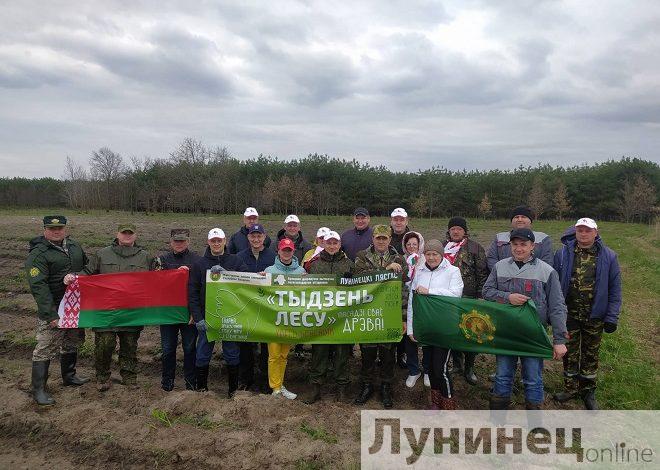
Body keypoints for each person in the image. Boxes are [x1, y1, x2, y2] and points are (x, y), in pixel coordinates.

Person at [483, 228, 568, 410]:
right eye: (515, 244)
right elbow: (487, 292)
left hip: (534, 333)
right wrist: (507, 297)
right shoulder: (500, 267)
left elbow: (557, 306)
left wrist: (559, 339)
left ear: (532, 246)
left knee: (532, 377)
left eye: (523, 244)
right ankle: (498, 418)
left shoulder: (547, 271)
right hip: (506, 331)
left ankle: (534, 421)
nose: (519, 248)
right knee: (503, 375)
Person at [78, 223, 159, 391]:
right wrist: (73, 278)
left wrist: (179, 273)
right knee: (104, 345)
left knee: (129, 346)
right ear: (118, 235)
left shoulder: (145, 257)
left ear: (135, 236)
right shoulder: (102, 254)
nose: (127, 236)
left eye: (130, 233)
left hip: (132, 311)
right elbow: (87, 274)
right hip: (106, 310)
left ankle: (129, 377)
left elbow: (159, 278)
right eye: (124, 233)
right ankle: (102, 377)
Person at [553, 218, 622, 410]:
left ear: (596, 233)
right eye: (580, 230)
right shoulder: (563, 254)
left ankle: (588, 391)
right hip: (569, 315)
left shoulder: (609, 256)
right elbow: (555, 284)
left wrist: (611, 316)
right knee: (569, 353)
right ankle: (570, 387)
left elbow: (615, 290)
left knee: (591, 354)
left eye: (587, 231)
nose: (583, 234)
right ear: (575, 232)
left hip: (595, 315)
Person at [26, 216, 90, 405]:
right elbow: (39, 287)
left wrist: (78, 276)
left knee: (72, 342)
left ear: (65, 229)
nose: (56, 231)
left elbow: (87, 268)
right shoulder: (38, 254)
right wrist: (50, 314)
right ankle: (38, 390)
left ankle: (69, 376)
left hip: (75, 307)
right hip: (54, 307)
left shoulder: (75, 247)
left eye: (60, 228)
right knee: (45, 347)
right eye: (52, 228)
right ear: (45, 230)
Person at [188, 228, 248, 396]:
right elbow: (192, 293)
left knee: (232, 353)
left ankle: (232, 390)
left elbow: (247, 283)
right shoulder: (199, 264)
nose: (216, 243)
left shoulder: (235, 261)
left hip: (230, 316)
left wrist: (228, 275)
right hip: (208, 318)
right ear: (208, 242)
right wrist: (198, 318)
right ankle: (202, 388)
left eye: (219, 240)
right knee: (203, 353)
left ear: (225, 241)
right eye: (213, 241)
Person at [407, 239, 464, 409]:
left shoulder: (453, 271)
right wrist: (411, 328)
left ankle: (448, 403)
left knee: (441, 369)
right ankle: (435, 402)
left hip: (444, 328)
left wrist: (429, 291)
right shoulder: (420, 272)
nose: (431, 258)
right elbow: (412, 301)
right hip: (426, 328)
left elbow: (455, 294)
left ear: (441, 255)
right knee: (430, 368)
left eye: (435, 254)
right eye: (428, 254)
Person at [353, 224, 405, 409]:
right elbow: (358, 279)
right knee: (367, 353)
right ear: (372, 239)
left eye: (385, 238)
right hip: (368, 312)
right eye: (378, 238)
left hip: (390, 314)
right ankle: (366, 386)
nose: (381, 241)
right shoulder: (361, 256)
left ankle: (386, 387)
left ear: (390, 239)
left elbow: (404, 289)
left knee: (388, 354)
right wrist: (385, 271)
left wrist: (403, 317)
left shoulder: (399, 259)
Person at [302, 231, 355, 404]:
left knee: (342, 354)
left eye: (335, 243)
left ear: (340, 245)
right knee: (319, 353)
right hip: (321, 317)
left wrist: (352, 281)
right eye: (329, 243)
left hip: (342, 317)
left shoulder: (349, 264)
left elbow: (359, 288)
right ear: (323, 244)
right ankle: (315, 388)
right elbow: (306, 288)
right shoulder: (315, 265)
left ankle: (341, 388)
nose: (332, 246)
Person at [443, 217, 488, 386]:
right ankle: (457, 364)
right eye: (453, 228)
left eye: (459, 229)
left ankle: (469, 368)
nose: (456, 231)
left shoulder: (475, 248)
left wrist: (480, 296)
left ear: (464, 231)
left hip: (470, 298)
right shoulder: (443, 247)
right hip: (449, 298)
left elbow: (482, 274)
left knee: (471, 334)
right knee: (453, 332)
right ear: (449, 231)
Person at [264, 238, 306, 399]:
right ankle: (275, 388)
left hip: (290, 320)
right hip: (273, 321)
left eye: (289, 250)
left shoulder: (301, 272)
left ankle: (280, 385)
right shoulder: (269, 270)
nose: (286, 253)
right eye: (284, 250)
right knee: (273, 355)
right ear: (278, 251)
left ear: (293, 251)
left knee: (283, 355)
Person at [159, 229, 200, 391]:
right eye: (176, 241)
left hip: (189, 313)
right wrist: (173, 275)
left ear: (188, 242)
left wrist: (195, 312)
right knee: (168, 349)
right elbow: (156, 283)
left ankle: (190, 383)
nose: (179, 244)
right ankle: (167, 383)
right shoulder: (162, 260)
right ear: (171, 242)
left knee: (189, 349)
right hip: (168, 312)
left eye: (182, 241)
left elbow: (199, 286)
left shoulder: (196, 260)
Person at [236, 224, 276, 391]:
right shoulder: (239, 257)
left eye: (259, 236)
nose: (256, 239)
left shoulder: (273, 257)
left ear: (264, 237)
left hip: (268, 308)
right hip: (247, 308)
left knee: (267, 348)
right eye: (253, 236)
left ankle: (266, 381)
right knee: (245, 346)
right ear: (248, 238)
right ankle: (245, 380)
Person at [401, 231, 431, 389]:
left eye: (414, 244)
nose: (412, 247)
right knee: (409, 337)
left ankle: (427, 370)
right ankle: (413, 370)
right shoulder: (402, 260)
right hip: (406, 304)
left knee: (425, 337)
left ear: (420, 245)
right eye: (408, 245)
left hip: (423, 304)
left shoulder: (427, 261)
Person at [486, 205, 553, 271]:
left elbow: (547, 262)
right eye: (516, 217)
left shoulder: (543, 238)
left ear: (530, 221)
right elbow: (491, 259)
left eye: (523, 217)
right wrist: (504, 273)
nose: (519, 220)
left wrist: (528, 275)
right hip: (504, 279)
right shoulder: (499, 237)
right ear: (511, 221)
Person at [389, 207, 410, 369]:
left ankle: (402, 354)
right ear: (391, 221)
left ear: (406, 221)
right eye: (396, 219)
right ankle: (389, 354)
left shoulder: (411, 238)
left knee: (404, 319)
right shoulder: (385, 237)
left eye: (401, 219)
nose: (398, 222)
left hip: (406, 286)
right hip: (389, 287)